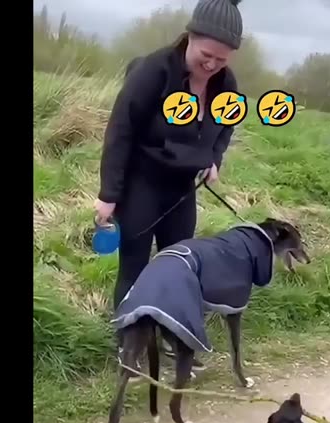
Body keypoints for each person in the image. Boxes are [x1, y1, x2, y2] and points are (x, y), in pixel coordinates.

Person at [96, 0, 245, 366]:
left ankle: (173, 341)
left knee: (179, 267)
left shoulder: (226, 84)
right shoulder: (153, 70)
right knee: (134, 266)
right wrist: (108, 195)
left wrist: (214, 157)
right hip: (141, 184)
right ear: (190, 37)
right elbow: (120, 132)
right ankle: (128, 345)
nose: (211, 65)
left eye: (221, 60)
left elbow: (226, 125)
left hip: (182, 189)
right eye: (206, 54)